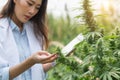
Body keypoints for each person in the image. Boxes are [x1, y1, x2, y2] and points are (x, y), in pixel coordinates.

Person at [0, 0, 58, 80]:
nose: (32, 11)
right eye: (29, 3)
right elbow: (1, 75)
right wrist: (31, 61)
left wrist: (55, 60)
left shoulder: (36, 30)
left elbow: (35, 72)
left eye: (37, 8)